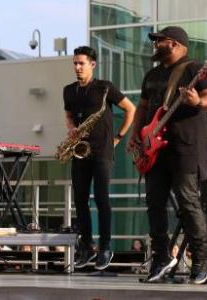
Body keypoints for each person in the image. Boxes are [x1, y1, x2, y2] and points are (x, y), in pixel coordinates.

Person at [127, 26, 207, 284]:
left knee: (189, 204)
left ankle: (201, 261)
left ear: (176, 44)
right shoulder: (153, 74)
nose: (155, 44)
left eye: (160, 41)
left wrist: (197, 102)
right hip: (154, 150)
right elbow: (143, 107)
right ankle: (160, 257)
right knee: (154, 204)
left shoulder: (194, 69)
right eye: (155, 41)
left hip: (185, 147)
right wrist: (136, 134)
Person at [62, 46, 135, 270]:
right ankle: (87, 247)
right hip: (80, 150)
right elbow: (68, 115)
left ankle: (105, 247)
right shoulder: (69, 90)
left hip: (103, 150)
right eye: (75, 63)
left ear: (93, 65)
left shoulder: (105, 88)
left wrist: (119, 137)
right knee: (80, 200)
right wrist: (72, 127)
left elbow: (130, 109)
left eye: (81, 63)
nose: (77, 67)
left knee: (102, 199)